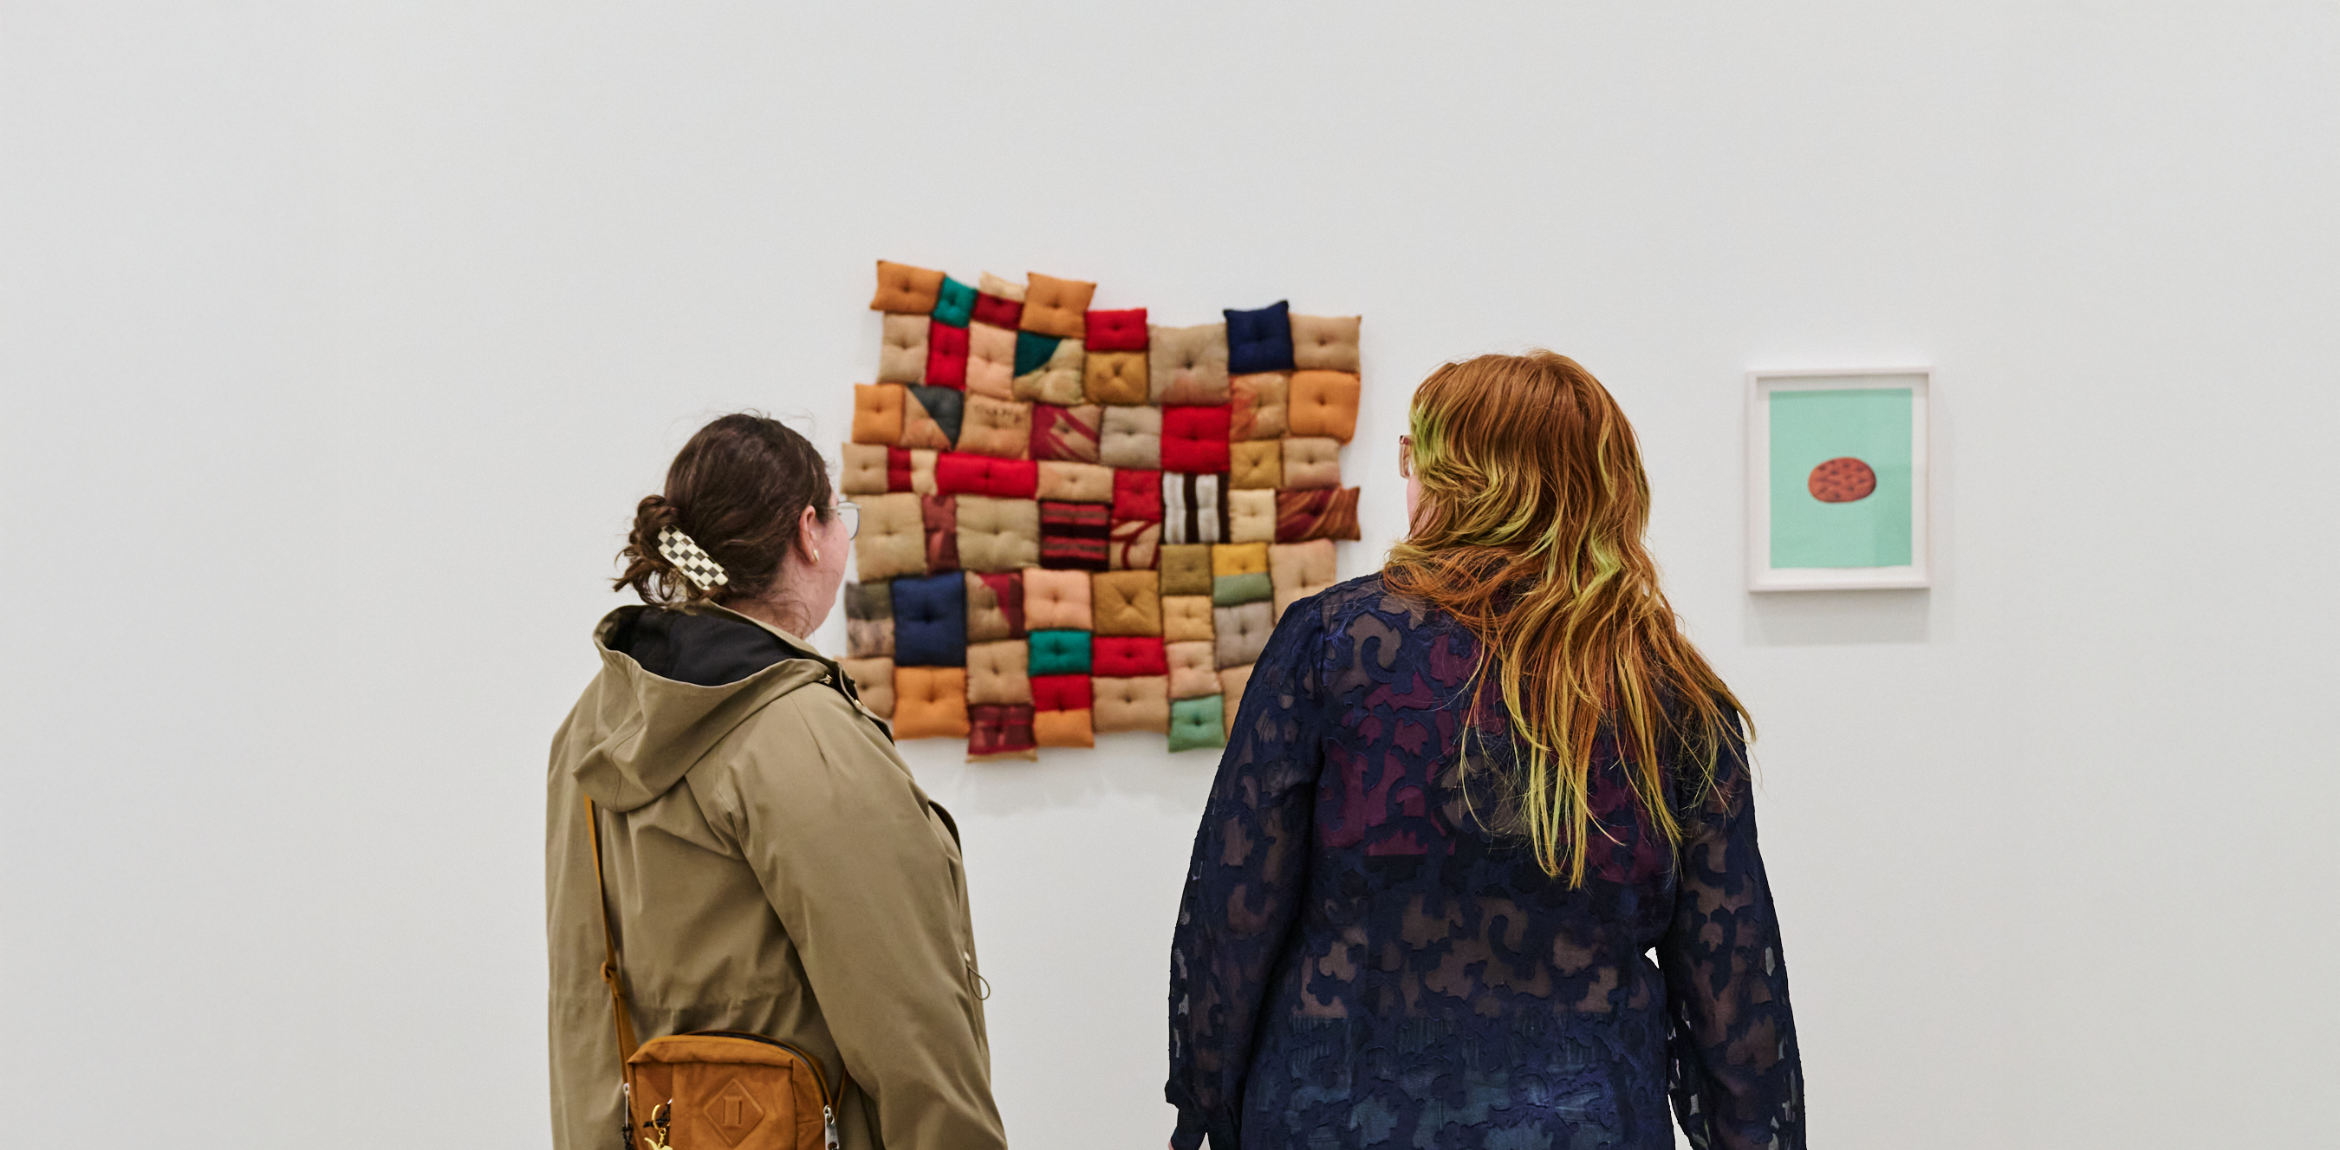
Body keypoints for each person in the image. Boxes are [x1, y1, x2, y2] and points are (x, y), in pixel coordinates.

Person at [1166, 353, 1804, 1150]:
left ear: (1457, 479)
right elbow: (1732, 984)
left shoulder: (1333, 646)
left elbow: (1231, 917)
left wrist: (1205, 1109)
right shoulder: (1667, 689)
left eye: (1414, 460)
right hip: (1586, 1122)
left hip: (1337, 1112)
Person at [546, 413, 1006, 1150]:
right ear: (808, 532)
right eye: (839, 517)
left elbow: (583, 1004)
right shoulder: (804, 735)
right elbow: (909, 1029)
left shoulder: (592, 727)